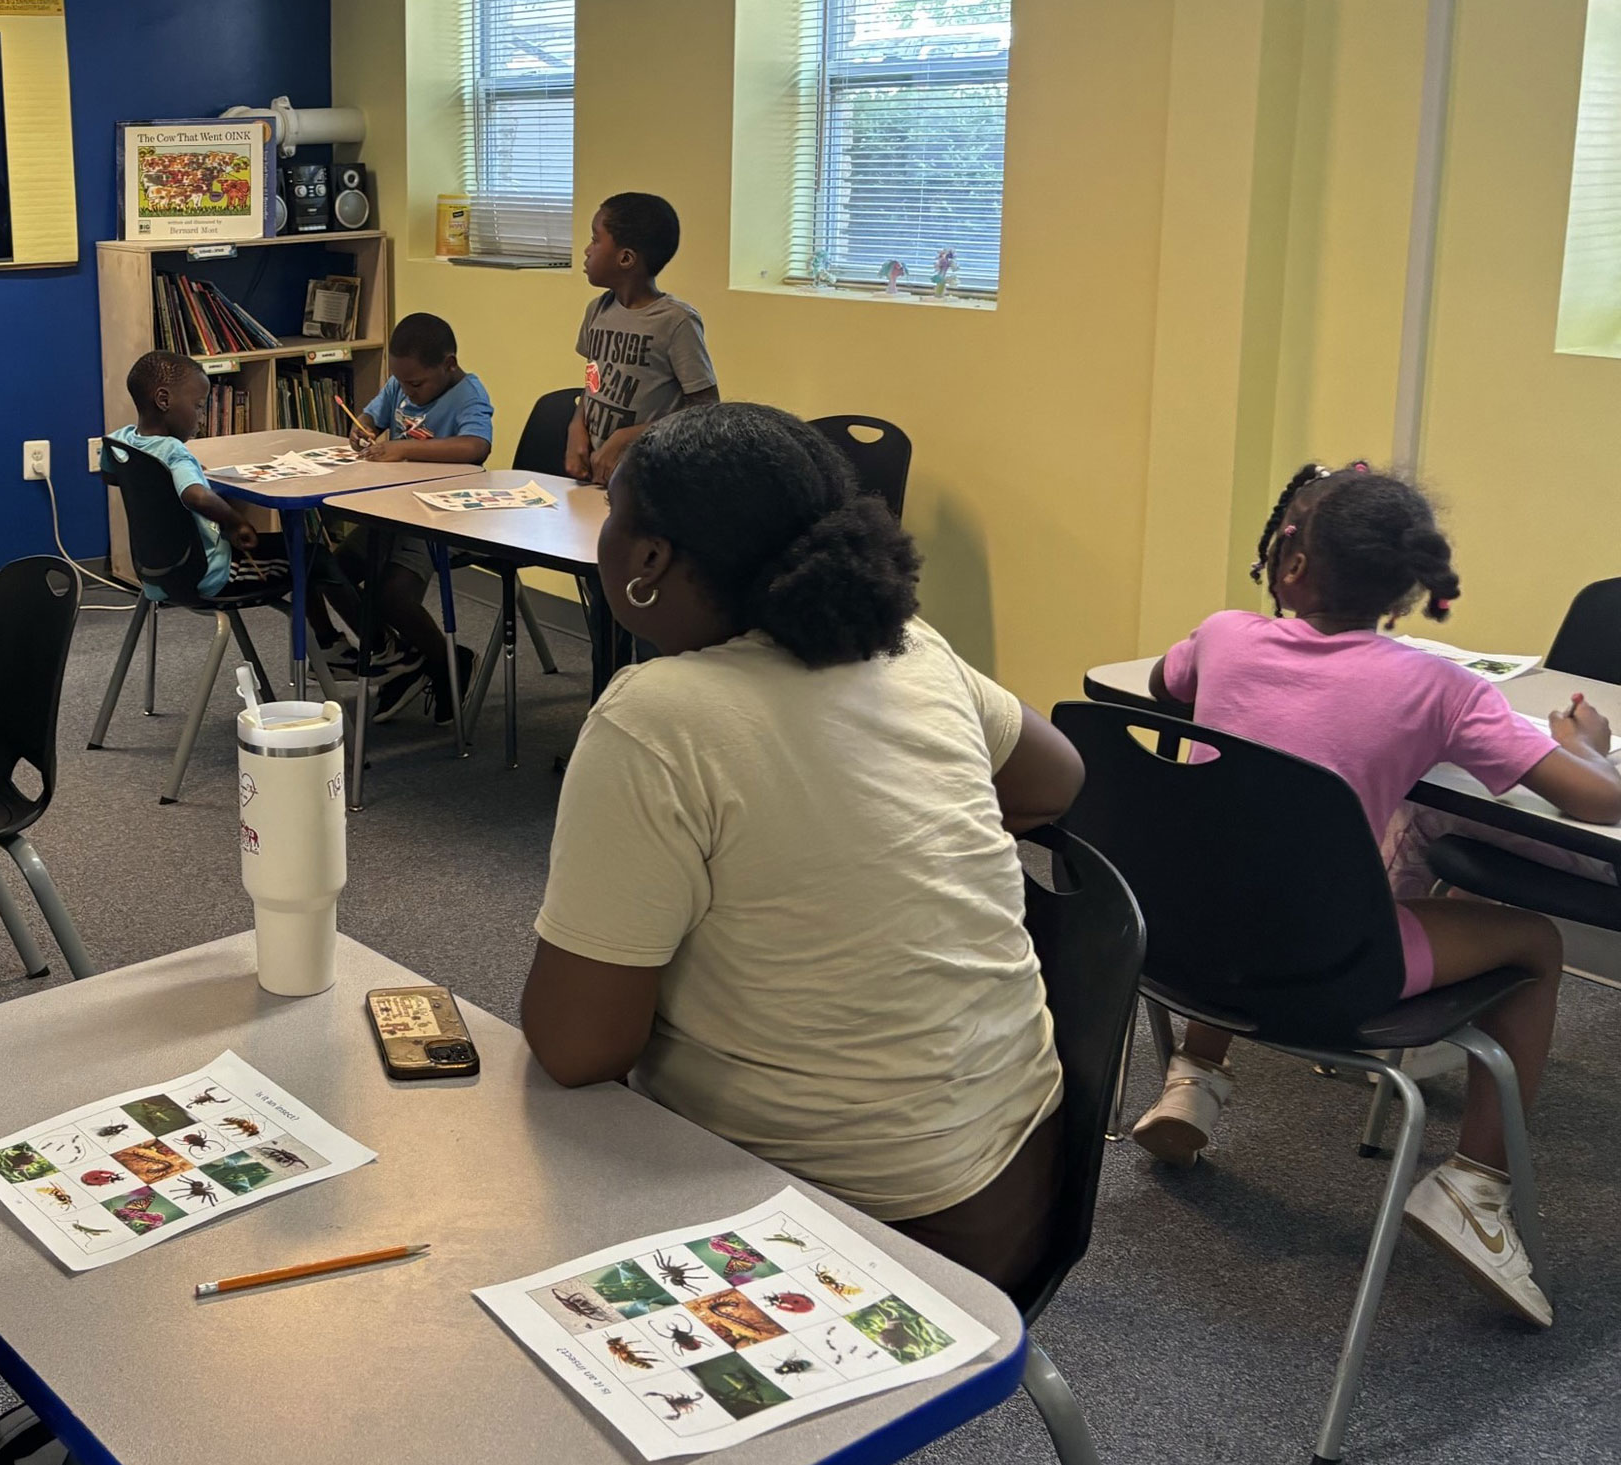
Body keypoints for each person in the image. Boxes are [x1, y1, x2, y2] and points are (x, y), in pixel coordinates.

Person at [519, 403, 1086, 1295]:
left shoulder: (656, 716)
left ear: (650, 561)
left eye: (611, 517)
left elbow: (576, 1046)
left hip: (842, 1232)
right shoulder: (910, 648)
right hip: (1019, 1182)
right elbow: (1055, 780)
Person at [1137, 461, 1621, 1327]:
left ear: (1290, 566)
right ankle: (1475, 1186)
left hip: (1185, 946)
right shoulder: (1441, 690)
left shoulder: (1222, 635)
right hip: (1327, 976)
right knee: (1535, 943)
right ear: (1405, 595)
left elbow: (1163, 688)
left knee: (1249, 861)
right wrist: (1588, 740)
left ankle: (1195, 1079)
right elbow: (1596, 801)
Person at [332, 312, 489, 723]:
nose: (407, 391)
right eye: (401, 383)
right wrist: (362, 428)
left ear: (449, 365)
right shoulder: (402, 382)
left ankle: (444, 663)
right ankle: (395, 655)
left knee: (393, 595)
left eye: (416, 384)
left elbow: (475, 446)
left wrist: (404, 449)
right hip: (390, 509)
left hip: (440, 515)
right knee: (333, 571)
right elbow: (371, 416)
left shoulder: (469, 394)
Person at [105, 351, 299, 607]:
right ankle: (332, 640)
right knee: (311, 558)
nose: (202, 416)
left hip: (156, 575)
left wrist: (166, 478)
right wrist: (237, 522)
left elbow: (111, 475)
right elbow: (195, 495)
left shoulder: (119, 441)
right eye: (198, 406)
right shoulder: (174, 452)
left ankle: (327, 640)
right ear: (164, 400)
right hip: (209, 574)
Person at [564, 193, 718, 488]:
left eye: (595, 240)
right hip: (601, 476)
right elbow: (594, 381)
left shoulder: (676, 321)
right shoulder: (597, 310)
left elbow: (705, 410)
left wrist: (628, 437)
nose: (586, 250)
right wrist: (577, 424)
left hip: (653, 479)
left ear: (625, 258)